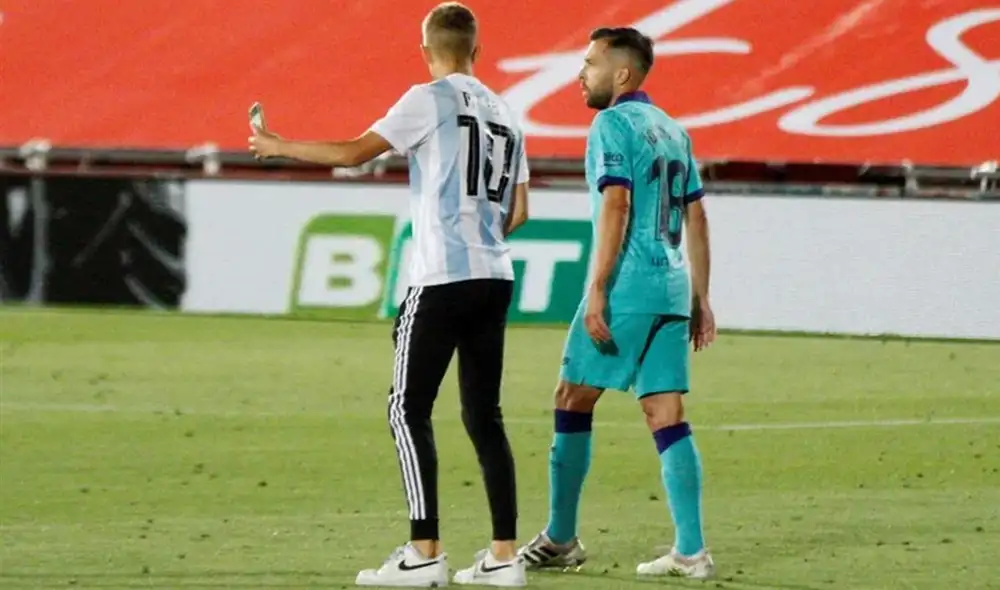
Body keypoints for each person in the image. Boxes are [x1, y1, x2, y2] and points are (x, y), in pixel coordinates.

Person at [249, 3, 530, 587]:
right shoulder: (507, 112)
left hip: (441, 277)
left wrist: (280, 145)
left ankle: (423, 550)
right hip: (495, 275)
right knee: (485, 415)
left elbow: (355, 152)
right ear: (476, 51)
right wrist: (477, 236)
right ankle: (505, 555)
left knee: (407, 409)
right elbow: (519, 212)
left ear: (427, 51)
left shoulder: (426, 98)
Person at [516, 26, 717, 580]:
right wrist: (701, 295)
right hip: (673, 289)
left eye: (590, 63)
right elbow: (697, 216)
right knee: (665, 412)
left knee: (571, 397)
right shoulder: (674, 130)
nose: (581, 72)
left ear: (621, 73)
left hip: (628, 286)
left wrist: (598, 286)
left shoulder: (610, 123)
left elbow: (617, 204)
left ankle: (559, 538)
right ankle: (691, 550)